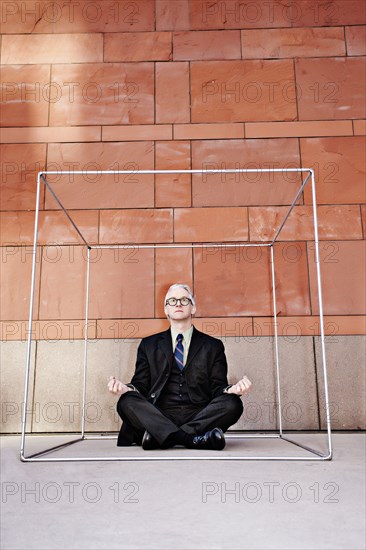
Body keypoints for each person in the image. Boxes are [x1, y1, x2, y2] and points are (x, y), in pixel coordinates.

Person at [108, 283, 252, 450]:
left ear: (193, 308)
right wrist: (125, 389)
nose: (178, 304)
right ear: (166, 310)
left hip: (199, 414)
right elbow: (141, 384)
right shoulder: (148, 344)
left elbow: (217, 387)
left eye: (184, 300)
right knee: (126, 401)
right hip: (159, 413)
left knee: (232, 404)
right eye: (172, 301)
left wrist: (232, 390)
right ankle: (192, 439)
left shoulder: (213, 346)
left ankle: (162, 437)